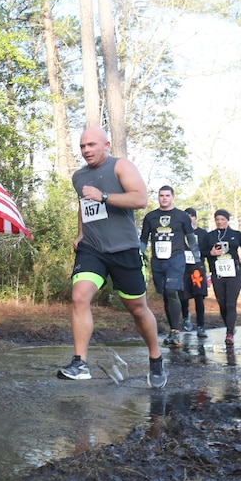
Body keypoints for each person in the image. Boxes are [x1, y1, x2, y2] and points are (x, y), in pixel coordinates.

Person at [60, 126, 166, 388]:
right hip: (92, 248)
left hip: (123, 249)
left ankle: (156, 357)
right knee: (79, 296)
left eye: (92, 145)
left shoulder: (121, 166)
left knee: (138, 309)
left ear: (106, 145)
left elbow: (140, 199)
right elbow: (84, 205)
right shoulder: (79, 176)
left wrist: (104, 195)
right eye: (83, 146)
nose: (86, 150)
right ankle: (80, 363)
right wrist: (80, 233)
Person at [140, 186, 197, 348]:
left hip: (176, 259)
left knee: (172, 290)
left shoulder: (181, 216)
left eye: (167, 195)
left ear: (173, 197)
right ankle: (173, 330)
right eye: (161, 195)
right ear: (158, 197)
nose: (164, 198)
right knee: (165, 293)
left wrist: (197, 257)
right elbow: (144, 238)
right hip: (158, 260)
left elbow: (191, 238)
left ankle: (175, 331)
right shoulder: (151, 217)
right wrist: (140, 254)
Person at [203, 210, 241, 345]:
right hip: (218, 274)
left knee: (230, 303)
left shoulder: (236, 234)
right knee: (222, 304)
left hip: (234, 273)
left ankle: (229, 334)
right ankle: (231, 325)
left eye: (222, 219)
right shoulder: (210, 236)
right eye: (217, 219)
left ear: (227, 220)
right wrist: (210, 253)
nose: (220, 222)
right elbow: (202, 252)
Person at [182, 208, 210, 339]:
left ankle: (201, 326)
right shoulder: (180, 232)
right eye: (187, 216)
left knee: (199, 297)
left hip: (197, 268)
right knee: (183, 296)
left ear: (195, 218)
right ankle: (185, 317)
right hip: (182, 267)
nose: (189, 218)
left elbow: (207, 251)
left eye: (192, 216)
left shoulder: (203, 233)